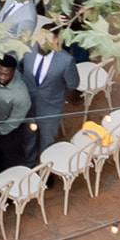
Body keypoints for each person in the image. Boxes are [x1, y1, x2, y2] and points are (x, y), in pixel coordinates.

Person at [20, 30, 80, 166]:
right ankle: (29, 165)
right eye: (41, 38)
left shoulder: (65, 60)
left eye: (47, 40)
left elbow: (73, 83)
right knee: (28, 136)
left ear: (56, 41)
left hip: (50, 108)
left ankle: (46, 169)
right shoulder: (28, 49)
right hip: (29, 104)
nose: (42, 43)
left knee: (47, 140)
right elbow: (19, 68)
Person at [0, 54, 32, 175]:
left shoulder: (21, 94)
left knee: (6, 164)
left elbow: (14, 120)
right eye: (0, 73)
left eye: (6, 74)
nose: (2, 77)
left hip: (8, 134)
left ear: (14, 72)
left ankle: (4, 189)